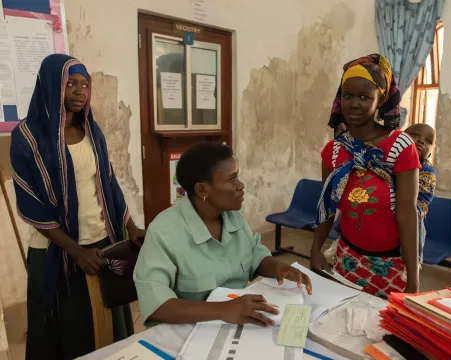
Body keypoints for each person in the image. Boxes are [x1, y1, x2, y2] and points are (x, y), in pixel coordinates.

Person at [10, 54, 145, 359]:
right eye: (70, 83)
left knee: (110, 321)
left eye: (85, 85)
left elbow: (109, 183)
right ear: (50, 84)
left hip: (101, 241)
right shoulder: (28, 137)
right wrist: (76, 251)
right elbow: (32, 205)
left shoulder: (92, 131)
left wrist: (132, 227)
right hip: (59, 249)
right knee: (70, 327)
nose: (79, 91)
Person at [134, 142, 312, 327]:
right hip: (185, 331)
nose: (240, 185)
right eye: (231, 179)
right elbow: (157, 306)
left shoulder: (234, 216)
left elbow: (255, 256)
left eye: (238, 177)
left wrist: (279, 268)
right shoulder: (165, 232)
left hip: (232, 325)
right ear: (202, 189)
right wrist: (223, 310)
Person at [311, 54, 421, 299]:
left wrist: (412, 280)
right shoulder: (335, 150)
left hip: (389, 264)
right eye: (348, 95)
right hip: (346, 258)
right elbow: (327, 206)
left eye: (364, 97)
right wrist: (316, 249)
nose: (354, 104)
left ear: (380, 100)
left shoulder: (400, 147)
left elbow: (407, 213)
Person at [405, 123, 436, 263]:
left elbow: (422, 198)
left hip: (415, 207)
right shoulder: (389, 159)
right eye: (415, 135)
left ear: (430, 152)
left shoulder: (426, 169)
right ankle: (340, 235)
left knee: (415, 221)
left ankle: (413, 261)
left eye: (428, 141)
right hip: (390, 203)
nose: (421, 141)